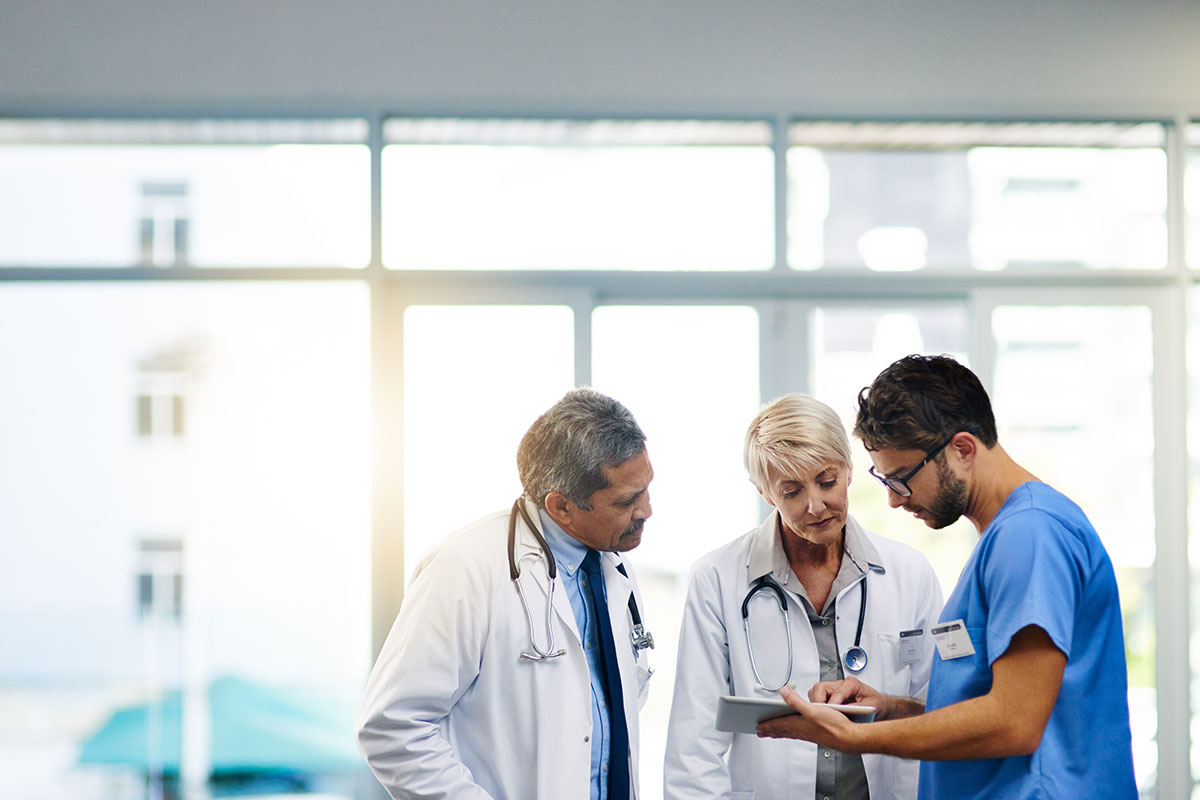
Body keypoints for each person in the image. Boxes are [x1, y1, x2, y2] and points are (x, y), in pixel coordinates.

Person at [759, 355, 1137, 798]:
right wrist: (890, 710)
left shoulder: (1031, 534)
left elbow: (1015, 723)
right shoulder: (1005, 536)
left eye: (901, 479)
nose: (895, 501)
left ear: (962, 449)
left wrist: (856, 739)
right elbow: (985, 706)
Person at [356, 387, 656, 800]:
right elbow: (392, 726)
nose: (646, 511)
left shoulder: (611, 563)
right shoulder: (465, 568)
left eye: (645, 489)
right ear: (561, 506)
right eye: (627, 500)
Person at [664, 393, 943, 800]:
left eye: (827, 481)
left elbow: (942, 711)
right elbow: (694, 743)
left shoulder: (910, 573)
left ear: (848, 469)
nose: (816, 506)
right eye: (792, 492)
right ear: (764, 493)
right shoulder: (717, 578)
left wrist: (889, 705)